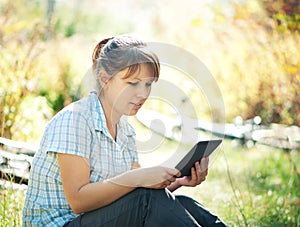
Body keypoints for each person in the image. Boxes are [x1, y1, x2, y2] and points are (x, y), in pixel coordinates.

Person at [22, 35, 227, 227]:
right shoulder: (75, 119)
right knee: (146, 199)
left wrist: (180, 181)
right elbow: (79, 201)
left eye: (148, 84)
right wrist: (139, 177)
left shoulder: (125, 130)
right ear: (104, 79)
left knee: (182, 202)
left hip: (94, 219)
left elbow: (132, 195)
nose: (143, 93)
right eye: (133, 83)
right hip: (63, 223)